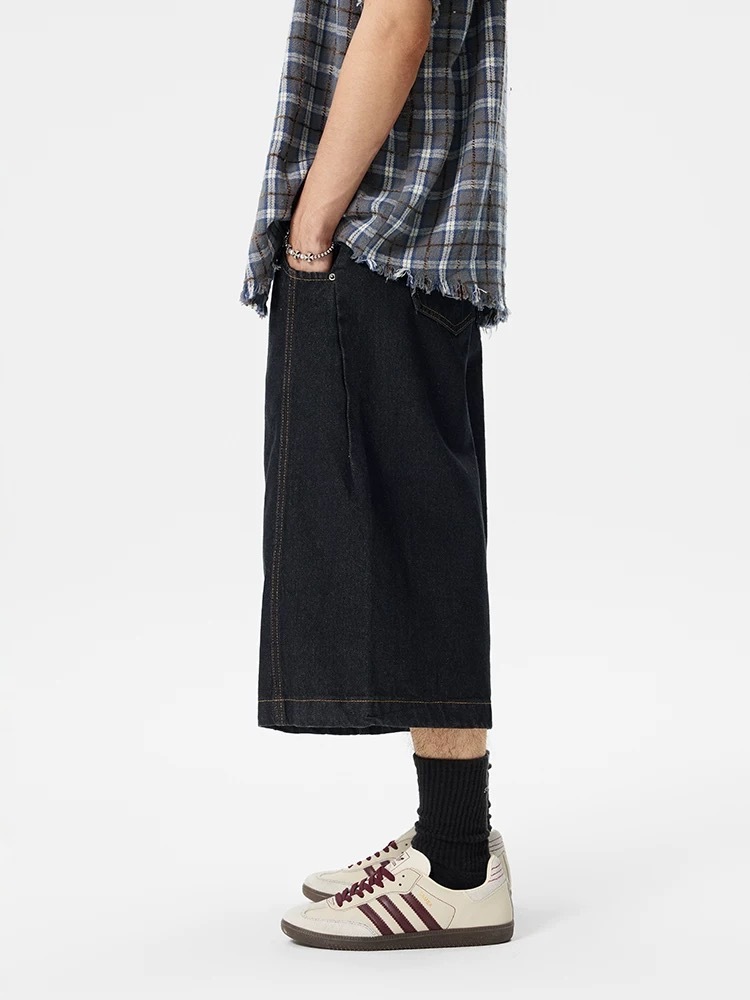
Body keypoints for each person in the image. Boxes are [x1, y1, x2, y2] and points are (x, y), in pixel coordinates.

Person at [239, 0, 512, 950]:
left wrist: (312, 228)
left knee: (418, 546)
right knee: (425, 535)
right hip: (407, 246)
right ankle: (450, 838)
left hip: (379, 239)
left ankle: (457, 867)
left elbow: (398, 20)